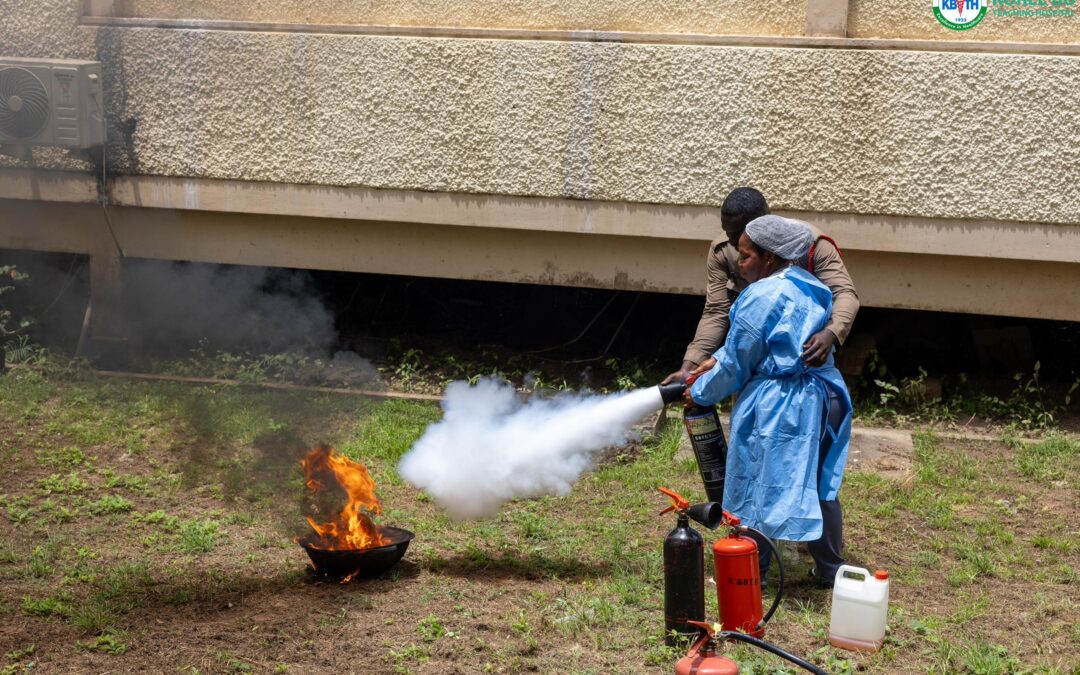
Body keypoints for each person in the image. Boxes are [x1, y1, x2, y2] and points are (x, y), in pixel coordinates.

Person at [686, 215, 852, 585]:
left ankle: (750, 569)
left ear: (770, 257)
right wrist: (718, 358)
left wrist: (698, 392)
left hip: (785, 405)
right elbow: (757, 346)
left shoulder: (759, 296)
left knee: (757, 481)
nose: (739, 264)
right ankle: (830, 570)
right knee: (822, 484)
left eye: (745, 256)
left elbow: (735, 366)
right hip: (827, 396)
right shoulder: (808, 283)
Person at [663, 188, 859, 384]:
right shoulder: (723, 250)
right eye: (727, 231)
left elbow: (844, 294)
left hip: (805, 364)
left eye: (738, 233)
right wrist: (689, 368)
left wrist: (830, 333)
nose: (733, 241)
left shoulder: (811, 245)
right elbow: (717, 311)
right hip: (752, 363)